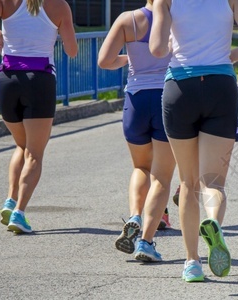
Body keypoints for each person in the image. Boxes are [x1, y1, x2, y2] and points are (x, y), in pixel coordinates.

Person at [150, 0, 238, 282]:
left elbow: (157, 49)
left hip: (180, 87)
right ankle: (212, 219)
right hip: (220, 86)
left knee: (187, 182)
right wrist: (228, 58)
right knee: (213, 182)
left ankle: (192, 262)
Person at [0, 0, 77, 234]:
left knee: (21, 145)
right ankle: (19, 213)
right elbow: (72, 51)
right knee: (34, 153)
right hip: (39, 80)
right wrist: (59, 30)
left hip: (7, 81)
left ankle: (10, 201)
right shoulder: (59, 6)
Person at [97, 0, 175, 261]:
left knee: (141, 167)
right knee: (161, 177)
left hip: (135, 100)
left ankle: (134, 216)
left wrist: (129, 57)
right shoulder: (176, 19)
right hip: (167, 96)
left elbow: (104, 61)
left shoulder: (127, 20)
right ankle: (146, 242)